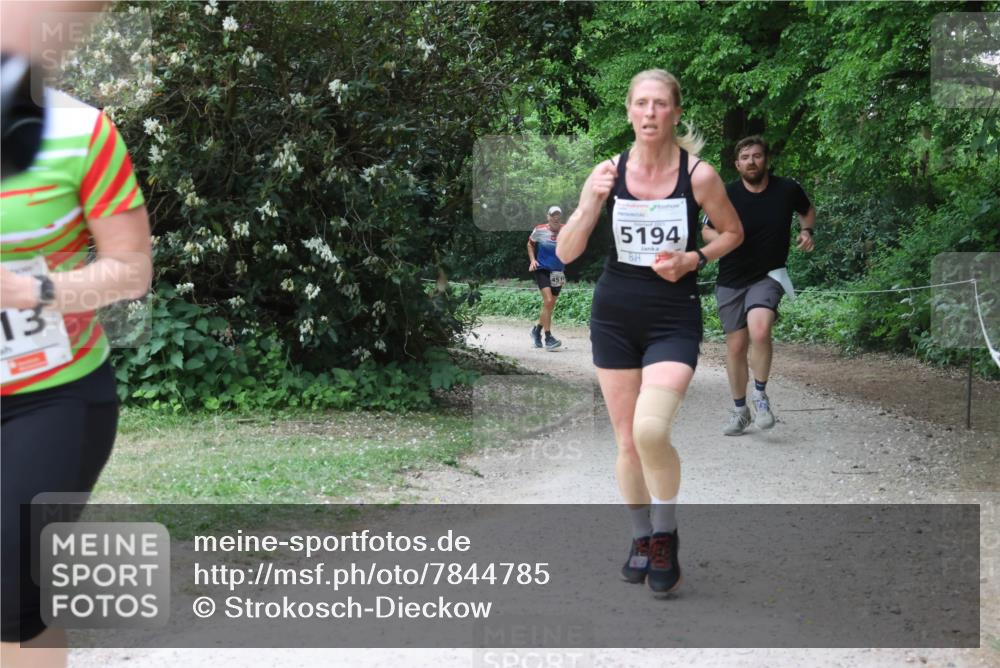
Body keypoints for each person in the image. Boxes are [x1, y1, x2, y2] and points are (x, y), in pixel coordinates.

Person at [556, 69, 743, 595]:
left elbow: (733, 232)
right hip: (614, 316)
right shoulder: (607, 173)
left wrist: (693, 258)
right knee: (627, 441)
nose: (650, 113)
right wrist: (590, 204)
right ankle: (641, 538)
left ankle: (665, 533)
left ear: (676, 112)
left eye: (660, 103)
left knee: (651, 431)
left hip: (672, 317)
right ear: (629, 111)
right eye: (641, 103)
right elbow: (566, 253)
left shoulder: (699, 176)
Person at [0, 86, 152, 667]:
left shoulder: (79, 130)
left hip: (49, 395)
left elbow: (131, 270)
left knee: (13, 590)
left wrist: (29, 291)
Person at [702, 135, 815, 435]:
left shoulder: (787, 189)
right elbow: (706, 230)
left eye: (756, 156)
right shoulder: (725, 194)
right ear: (737, 164)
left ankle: (760, 397)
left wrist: (807, 231)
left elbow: (807, 210)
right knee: (736, 346)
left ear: (766, 159)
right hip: (731, 278)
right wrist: (727, 240)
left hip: (769, 275)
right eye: (745, 157)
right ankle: (741, 411)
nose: (751, 162)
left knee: (760, 329)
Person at [527, 205, 566, 351]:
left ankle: (536, 331)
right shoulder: (540, 229)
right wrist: (532, 260)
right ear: (548, 217)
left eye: (558, 215)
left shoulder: (566, 229)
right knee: (548, 300)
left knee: (550, 305)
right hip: (542, 268)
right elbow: (530, 244)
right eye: (553, 215)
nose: (556, 217)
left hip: (558, 272)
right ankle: (548, 338)